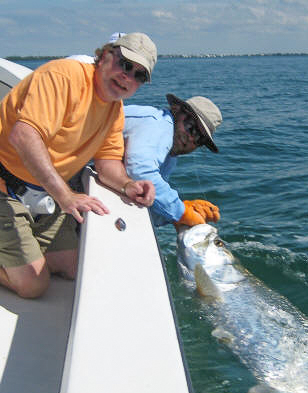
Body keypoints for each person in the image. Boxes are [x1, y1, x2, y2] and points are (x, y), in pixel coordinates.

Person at [0, 32, 157, 299]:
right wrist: (65, 195)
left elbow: (108, 163)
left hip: (44, 197)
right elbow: (24, 136)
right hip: (6, 187)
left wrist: (128, 185)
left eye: (139, 75)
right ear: (105, 56)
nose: (127, 77)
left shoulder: (114, 109)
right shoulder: (63, 77)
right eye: (125, 64)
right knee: (33, 285)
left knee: (75, 267)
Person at [123, 93, 222, 228]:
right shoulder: (161, 124)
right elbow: (139, 170)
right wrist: (181, 212)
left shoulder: (170, 156)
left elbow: (148, 196)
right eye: (191, 128)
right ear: (175, 110)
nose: (191, 139)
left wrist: (179, 214)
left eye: (200, 139)